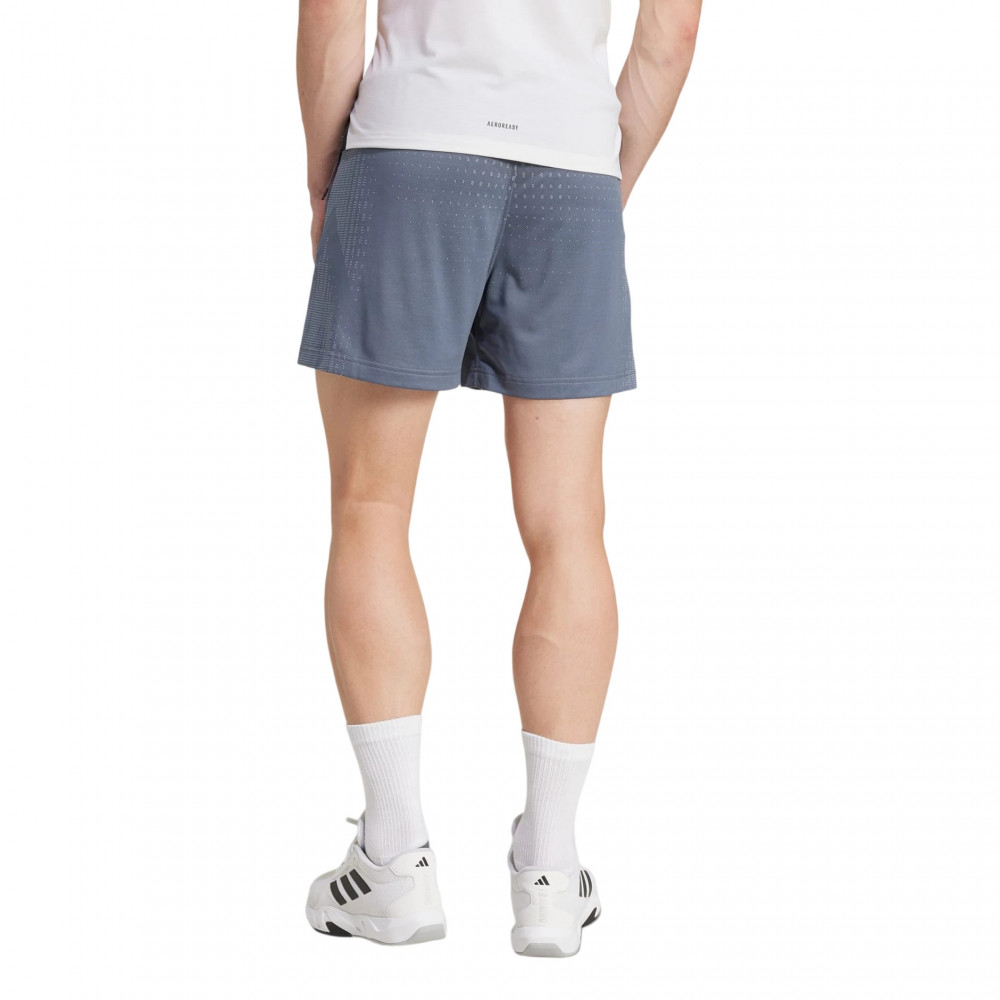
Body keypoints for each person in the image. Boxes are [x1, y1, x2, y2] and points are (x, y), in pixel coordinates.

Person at [297, 0, 701, 956]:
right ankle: (550, 874)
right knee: (570, 527)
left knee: (370, 506)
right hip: (572, 164)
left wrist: (323, 179)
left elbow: (331, 15)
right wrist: (599, 172)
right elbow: (671, 32)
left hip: (410, 147)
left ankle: (393, 863)